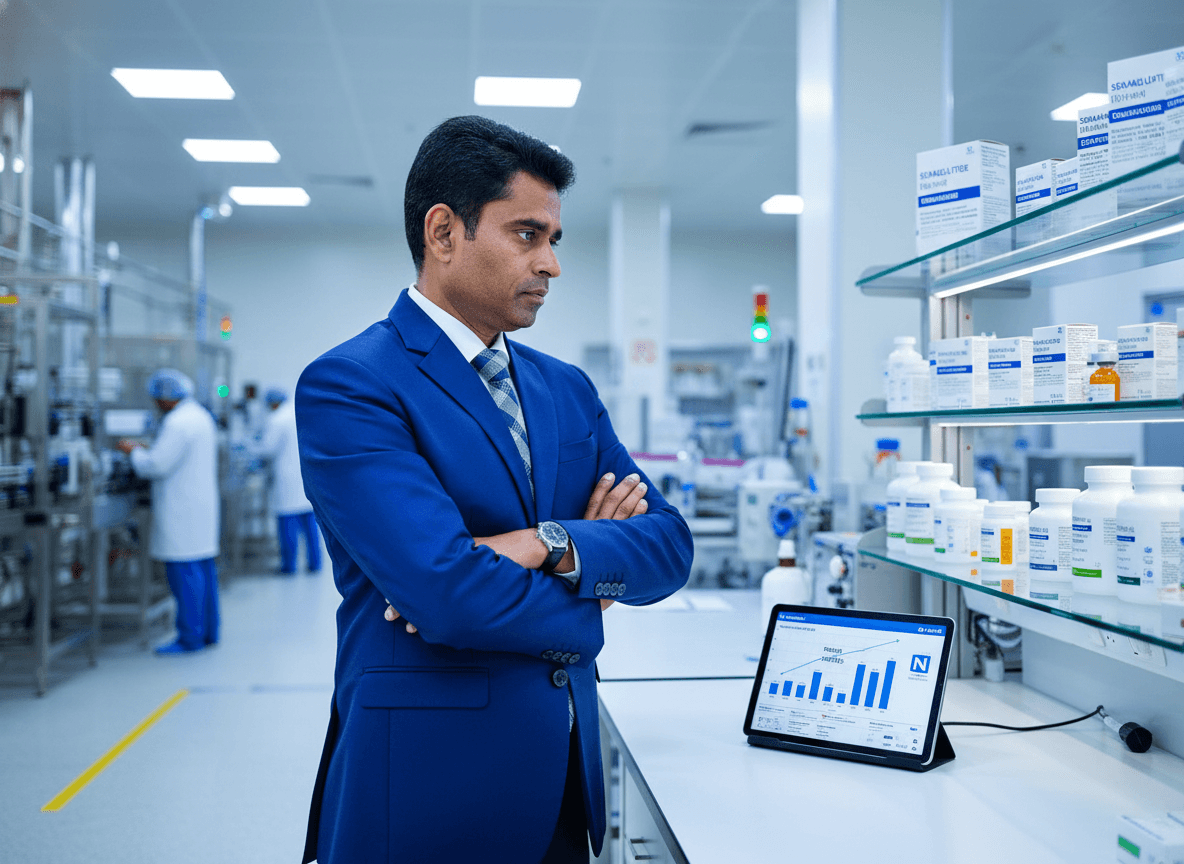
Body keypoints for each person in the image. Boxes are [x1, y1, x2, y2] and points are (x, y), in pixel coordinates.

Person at [297, 116, 693, 864]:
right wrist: (591, 593)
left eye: (555, 240)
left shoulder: (565, 391)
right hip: (424, 789)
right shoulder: (353, 385)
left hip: (562, 788)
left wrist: (543, 544)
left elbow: (668, 545)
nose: (551, 263)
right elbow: (445, 591)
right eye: (526, 235)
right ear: (443, 232)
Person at [117, 369, 220, 654]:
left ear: (165, 397)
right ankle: (209, 632)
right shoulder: (198, 416)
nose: (154, 403)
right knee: (203, 572)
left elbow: (156, 465)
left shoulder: (176, 423)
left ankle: (190, 638)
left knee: (184, 574)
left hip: (181, 510)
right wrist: (148, 448)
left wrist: (132, 451)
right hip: (198, 508)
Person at [256, 387, 320, 574]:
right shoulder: (300, 412)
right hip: (305, 477)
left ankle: (289, 566)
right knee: (311, 526)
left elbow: (267, 448)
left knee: (288, 526)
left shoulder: (277, 419)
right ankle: (315, 563)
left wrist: (252, 446)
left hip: (287, 481)